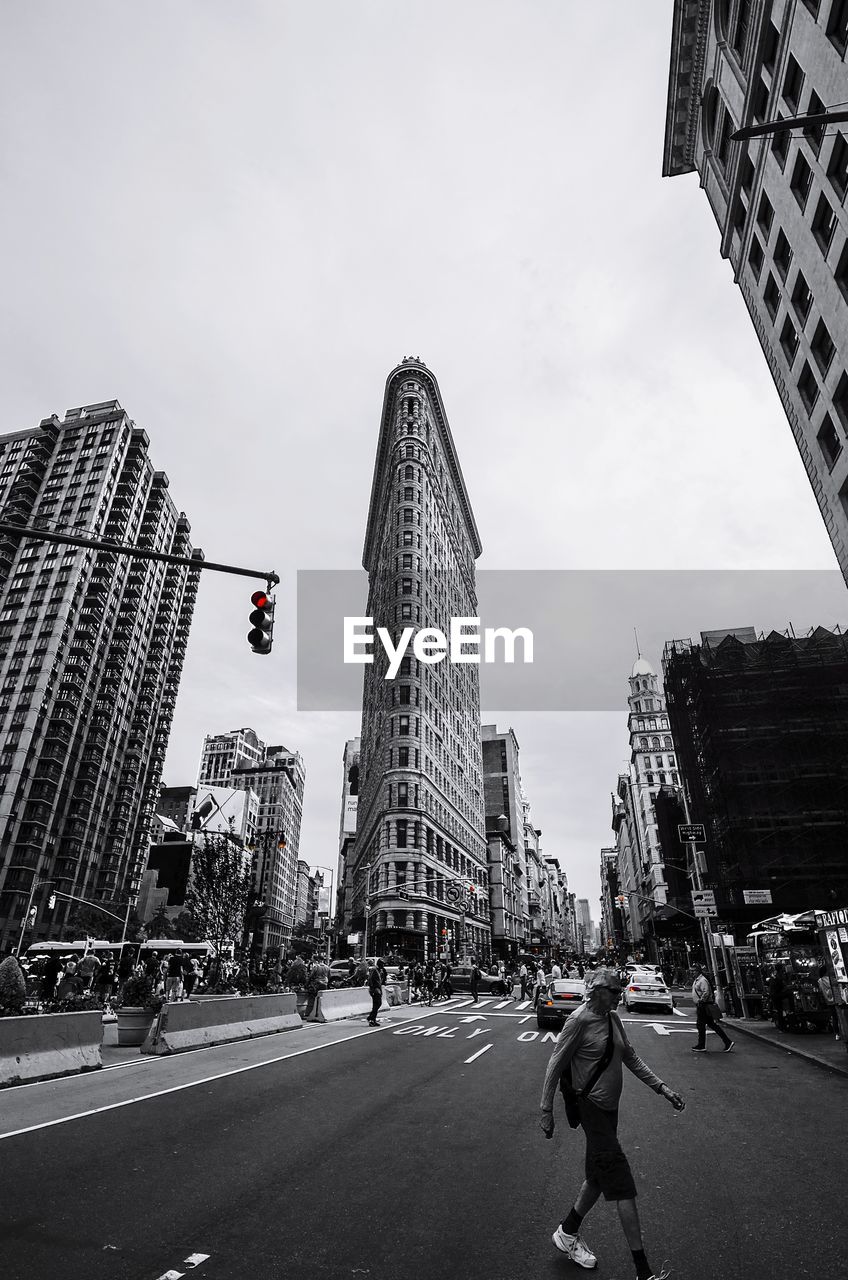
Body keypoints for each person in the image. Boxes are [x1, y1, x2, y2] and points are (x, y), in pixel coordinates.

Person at [539, 968, 683, 1280]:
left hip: (609, 1111)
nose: (620, 995)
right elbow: (555, 1064)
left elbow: (630, 1057)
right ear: (598, 992)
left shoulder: (613, 1018)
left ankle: (567, 1233)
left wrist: (663, 1089)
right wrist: (545, 1109)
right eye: (615, 992)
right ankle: (643, 1270)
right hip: (590, 1108)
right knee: (621, 1182)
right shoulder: (578, 1021)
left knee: (597, 1176)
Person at [691, 963, 734, 1053]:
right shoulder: (697, 980)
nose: (692, 973)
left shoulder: (702, 980)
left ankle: (702, 1045)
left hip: (704, 1006)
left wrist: (701, 1001)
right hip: (702, 1006)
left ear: (698, 971)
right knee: (711, 1025)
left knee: (701, 1025)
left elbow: (706, 992)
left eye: (694, 971)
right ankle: (727, 1042)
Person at [817, 966, 839, 1038]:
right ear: (826, 971)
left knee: (834, 1017)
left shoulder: (820, 981)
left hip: (828, 1000)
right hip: (836, 998)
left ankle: (837, 1033)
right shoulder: (830, 979)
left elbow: (820, 990)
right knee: (838, 1016)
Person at [768, 965, 788, 1031]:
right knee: (780, 1010)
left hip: (775, 995)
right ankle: (782, 1026)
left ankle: (782, 1026)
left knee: (780, 1010)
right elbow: (781, 985)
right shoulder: (778, 976)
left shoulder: (775, 975)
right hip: (778, 995)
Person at [367, 959, 383, 1026]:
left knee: (378, 1004)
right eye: (382, 964)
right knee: (376, 1004)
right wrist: (372, 988)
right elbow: (370, 979)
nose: (383, 965)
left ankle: (373, 1018)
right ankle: (371, 1018)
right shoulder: (374, 970)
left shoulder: (379, 970)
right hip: (375, 989)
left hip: (378, 989)